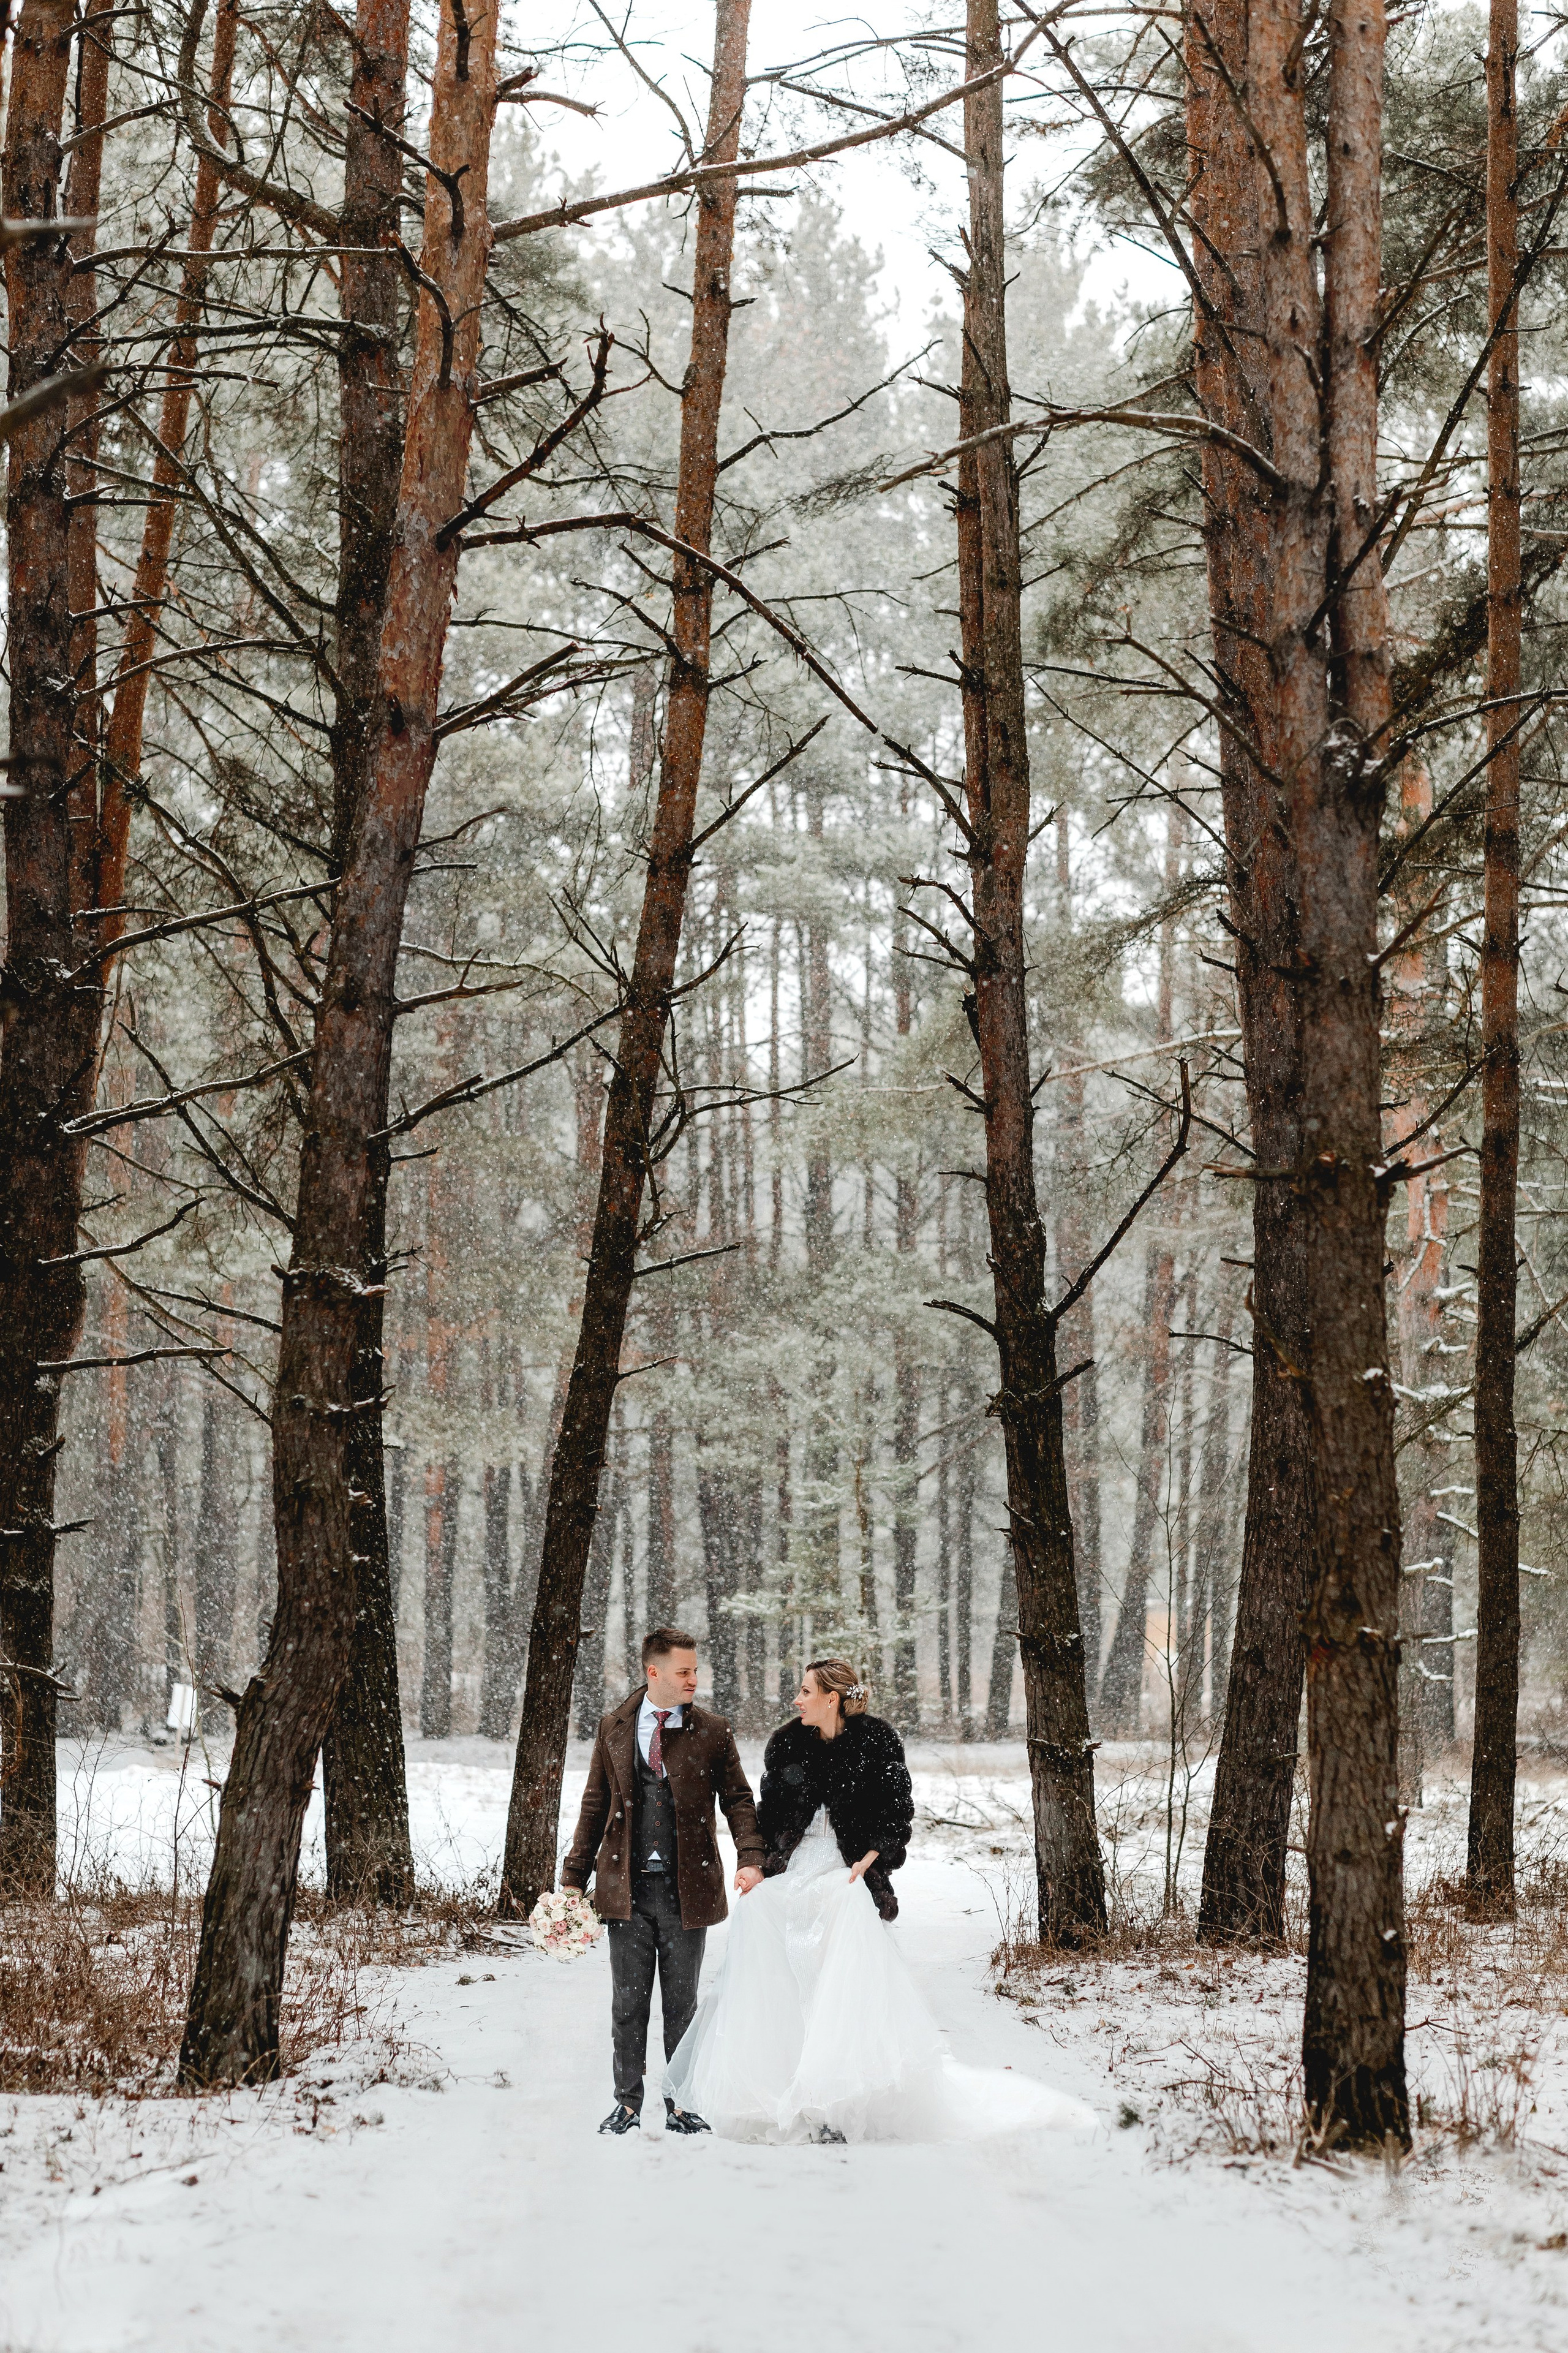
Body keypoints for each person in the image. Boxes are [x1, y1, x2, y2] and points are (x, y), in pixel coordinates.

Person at [663, 1658, 1095, 2145]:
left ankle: (834, 2097)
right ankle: (780, 2081)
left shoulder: (876, 1741)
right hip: (796, 1865)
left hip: (847, 1869)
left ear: (833, 1697)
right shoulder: (786, 1742)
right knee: (760, 1913)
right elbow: (767, 1814)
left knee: (844, 1927)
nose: (796, 1699)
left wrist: (873, 1857)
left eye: (805, 1691)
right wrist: (756, 1863)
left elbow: (896, 1811)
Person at [562, 1625, 766, 2136]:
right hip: (625, 1888)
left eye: (695, 1669)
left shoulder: (713, 1731)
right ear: (654, 1672)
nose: (694, 1678)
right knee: (628, 2004)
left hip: (687, 1890)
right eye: (684, 1671)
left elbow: (739, 1798)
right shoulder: (615, 1725)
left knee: (682, 2004)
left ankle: (682, 2102)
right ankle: (627, 2103)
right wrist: (572, 1877)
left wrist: (750, 1856)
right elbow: (594, 1804)